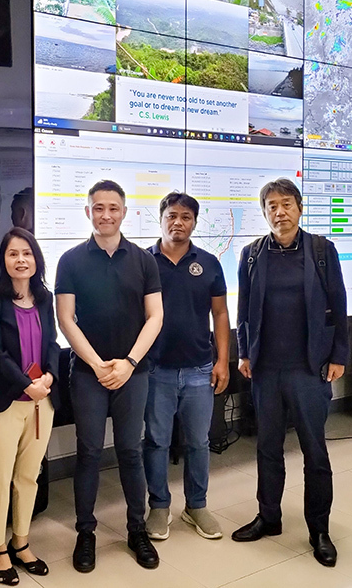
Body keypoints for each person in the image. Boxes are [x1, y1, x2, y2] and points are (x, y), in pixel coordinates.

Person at [231, 178, 349, 567]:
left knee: (315, 451)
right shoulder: (251, 254)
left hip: (309, 369)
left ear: (299, 208)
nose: (279, 212)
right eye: (271, 206)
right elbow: (244, 310)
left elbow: (339, 305)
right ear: (264, 212)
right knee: (267, 448)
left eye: (286, 204)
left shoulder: (321, 251)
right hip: (266, 369)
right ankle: (269, 517)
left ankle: (319, 528)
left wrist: (339, 356)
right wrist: (244, 353)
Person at [55, 179, 163, 572]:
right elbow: (65, 319)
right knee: (88, 453)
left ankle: (138, 530)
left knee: (131, 450)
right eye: (98, 207)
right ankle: (86, 532)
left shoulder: (143, 259)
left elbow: (155, 317)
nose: (106, 214)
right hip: (87, 373)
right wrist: (99, 364)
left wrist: (129, 363)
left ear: (124, 212)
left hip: (133, 371)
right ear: (88, 212)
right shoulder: (70, 260)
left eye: (113, 208)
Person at [0, 228, 59, 585]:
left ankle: (21, 542)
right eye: (12, 254)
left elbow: (51, 341)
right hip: (3, 403)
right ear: (3, 260)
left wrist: (49, 378)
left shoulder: (44, 297)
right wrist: (27, 385)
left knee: (28, 476)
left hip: (42, 402)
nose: (20, 260)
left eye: (27, 253)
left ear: (36, 258)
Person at [144, 193, 230, 542]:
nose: (178, 222)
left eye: (186, 217)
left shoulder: (208, 263)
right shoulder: (142, 261)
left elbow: (220, 314)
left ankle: (196, 505)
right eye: (172, 215)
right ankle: (159, 506)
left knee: (198, 441)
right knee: (156, 442)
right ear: (161, 219)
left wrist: (223, 360)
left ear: (195, 222)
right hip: (154, 369)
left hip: (198, 368)